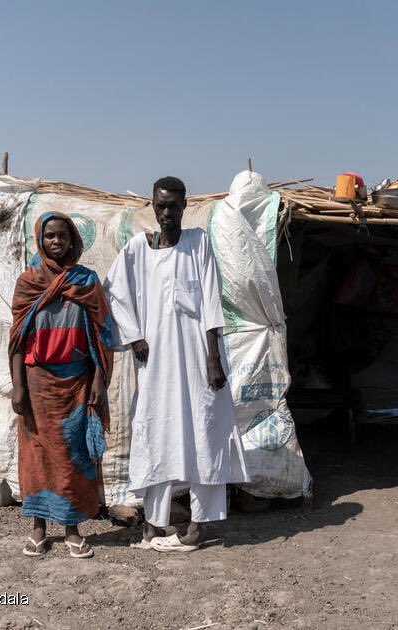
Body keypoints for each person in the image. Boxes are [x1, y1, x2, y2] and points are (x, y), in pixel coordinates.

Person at [103, 176, 248, 552]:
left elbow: (212, 302)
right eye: (160, 206)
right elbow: (114, 291)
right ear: (152, 206)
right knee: (157, 434)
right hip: (156, 364)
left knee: (206, 433)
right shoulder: (138, 249)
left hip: (199, 361)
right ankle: (153, 525)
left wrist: (214, 360)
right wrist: (135, 336)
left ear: (185, 206)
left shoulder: (198, 243)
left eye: (174, 206)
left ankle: (197, 526)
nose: (166, 213)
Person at [9, 212, 115, 559]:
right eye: (50, 236)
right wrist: (18, 386)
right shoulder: (29, 282)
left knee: (72, 457)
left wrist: (99, 379)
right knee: (37, 457)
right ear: (40, 240)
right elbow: (17, 340)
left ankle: (72, 528)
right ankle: (38, 528)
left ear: (73, 240)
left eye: (63, 236)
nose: (57, 242)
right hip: (37, 383)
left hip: (77, 383)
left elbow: (103, 335)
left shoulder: (86, 281)